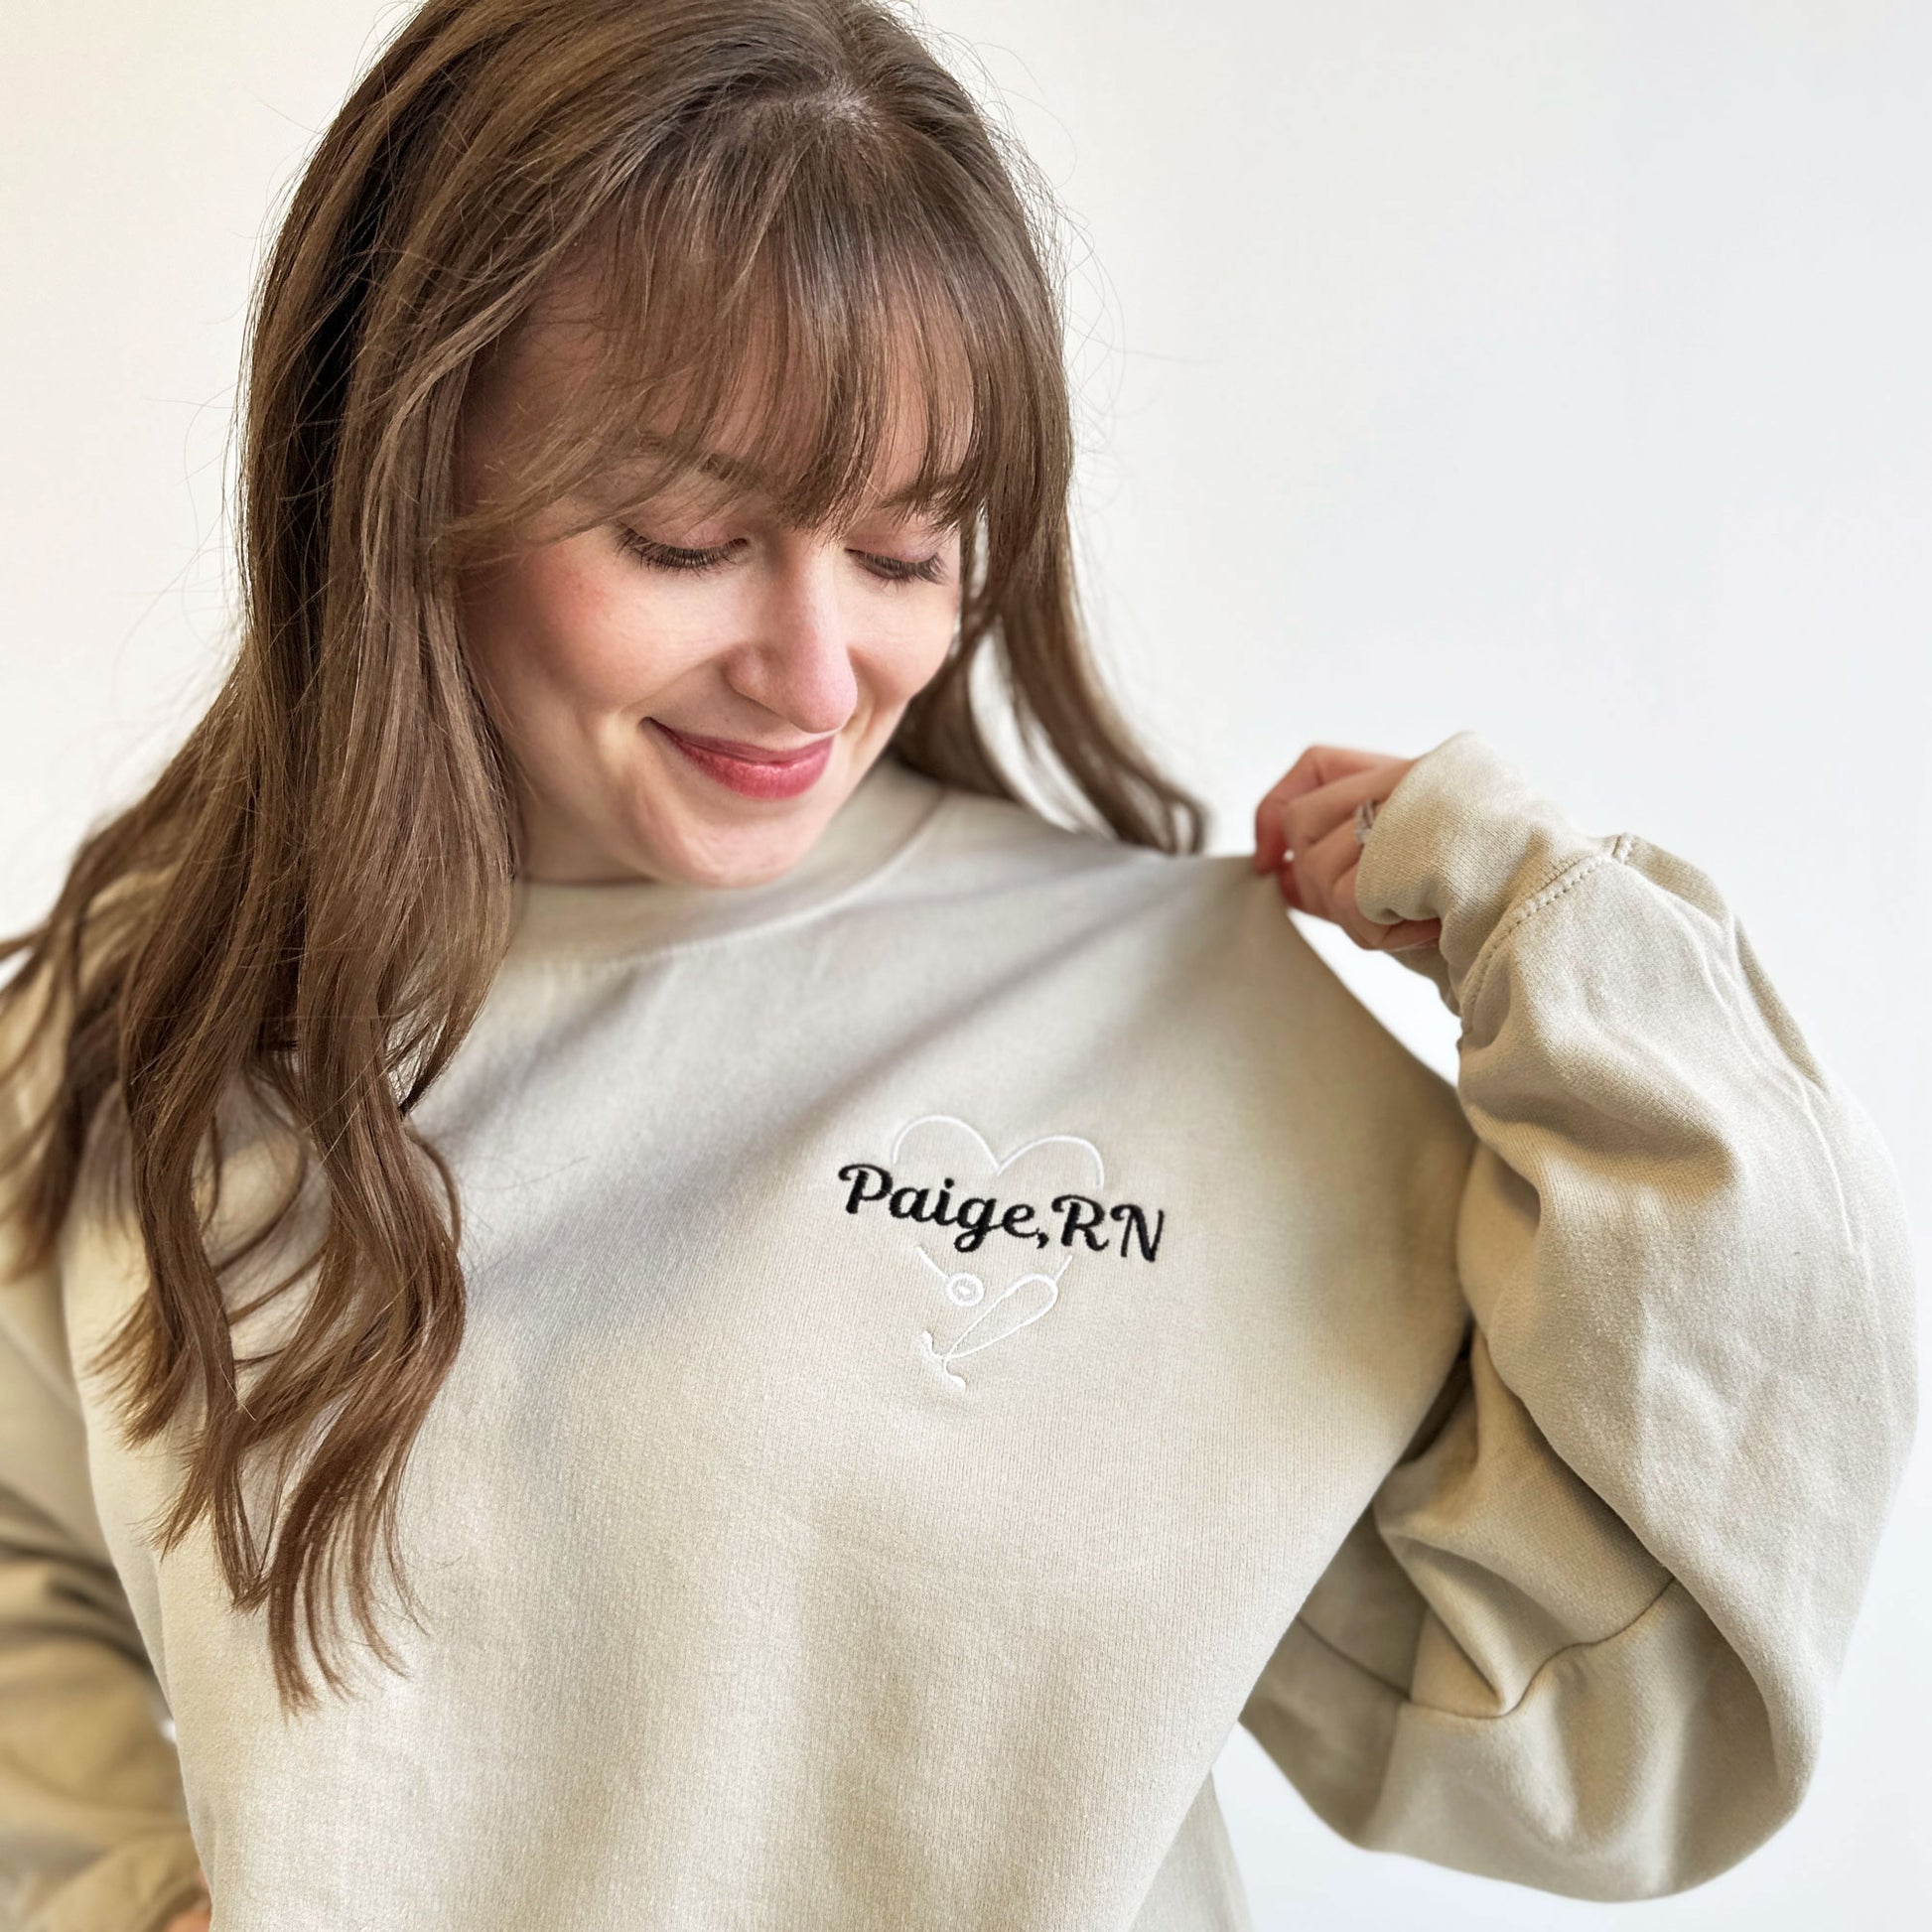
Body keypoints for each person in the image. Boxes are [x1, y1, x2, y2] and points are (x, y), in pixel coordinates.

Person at [0, 2, 1915, 1928]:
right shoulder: (124, 1032)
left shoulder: (1182, 1030)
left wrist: (1580, 976)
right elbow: (30, 1567)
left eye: (912, 548)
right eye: (686, 536)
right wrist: (114, 1894)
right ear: (401, 459)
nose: (817, 673)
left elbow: (1607, 1759)